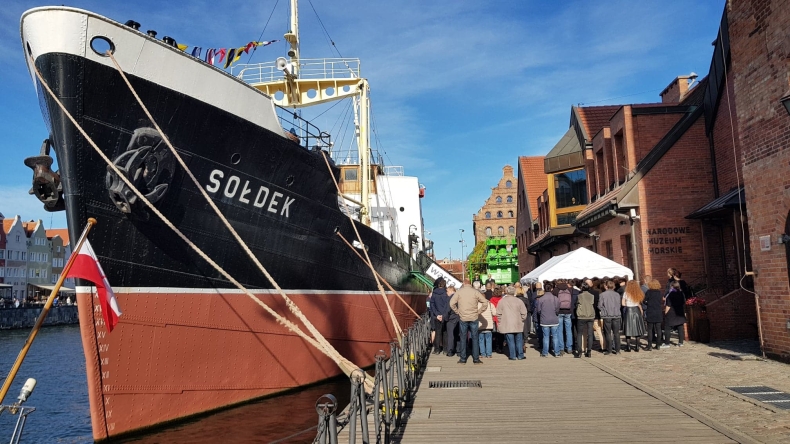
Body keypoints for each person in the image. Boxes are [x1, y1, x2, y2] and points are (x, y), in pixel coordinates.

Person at [449, 281, 489, 364]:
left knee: (463, 338)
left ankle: (463, 359)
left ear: (464, 284)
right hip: (474, 317)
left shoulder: (459, 292)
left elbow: (452, 303)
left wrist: (457, 311)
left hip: (463, 317)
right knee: (475, 338)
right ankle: (476, 359)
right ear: (470, 284)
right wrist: (479, 311)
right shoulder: (475, 292)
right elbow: (485, 302)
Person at [496, 286, 528, 360]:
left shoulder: (502, 301)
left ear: (506, 292)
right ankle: (520, 355)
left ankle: (512, 355)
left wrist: (501, 321)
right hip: (518, 323)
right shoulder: (519, 301)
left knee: (510, 341)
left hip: (507, 324)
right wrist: (522, 319)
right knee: (519, 340)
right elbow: (524, 312)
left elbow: (498, 313)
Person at [536, 285, 561, 357]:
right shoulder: (555, 298)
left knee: (546, 337)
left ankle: (545, 353)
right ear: (551, 289)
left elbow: (538, 310)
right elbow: (557, 309)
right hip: (554, 319)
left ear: (544, 289)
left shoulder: (541, 299)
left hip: (545, 320)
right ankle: (557, 352)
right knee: (555, 336)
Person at [621, 280, 646, 352]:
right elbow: (639, 303)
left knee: (628, 328)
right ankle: (637, 346)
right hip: (636, 310)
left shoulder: (626, 293)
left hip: (629, 310)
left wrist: (629, 304)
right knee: (637, 328)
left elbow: (623, 304)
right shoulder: (638, 293)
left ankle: (628, 347)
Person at [598, 280, 622, 355]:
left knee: (608, 333)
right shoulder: (617, 294)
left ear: (606, 286)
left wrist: (603, 310)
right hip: (616, 314)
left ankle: (609, 350)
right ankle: (618, 350)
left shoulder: (602, 295)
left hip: (607, 315)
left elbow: (599, 305)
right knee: (616, 333)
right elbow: (619, 304)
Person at [661, 281, 687, 348]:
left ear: (672, 286)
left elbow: (668, 305)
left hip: (672, 312)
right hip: (680, 312)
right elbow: (684, 302)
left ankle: (667, 343)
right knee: (680, 327)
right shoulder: (681, 293)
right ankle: (681, 342)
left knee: (667, 328)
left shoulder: (671, 294)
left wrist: (665, 312)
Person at [552, 279, 574, 355]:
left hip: (559, 312)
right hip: (568, 312)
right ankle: (569, 348)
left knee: (559, 330)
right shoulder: (569, 289)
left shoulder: (555, 290)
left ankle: (561, 348)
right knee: (568, 330)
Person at [575, 282, 596, 358]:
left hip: (581, 316)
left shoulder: (579, 296)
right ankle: (589, 351)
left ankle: (580, 351)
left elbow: (576, 304)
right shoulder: (592, 296)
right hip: (590, 316)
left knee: (580, 334)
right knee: (590, 334)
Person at [429, 278, 449, 354]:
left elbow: (432, 305)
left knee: (437, 332)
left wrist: (437, 314)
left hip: (436, 316)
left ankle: (437, 349)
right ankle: (445, 349)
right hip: (445, 316)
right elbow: (447, 305)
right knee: (445, 332)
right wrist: (443, 315)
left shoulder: (434, 293)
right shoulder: (446, 293)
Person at [643, 279, 664, 350]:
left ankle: (650, 345)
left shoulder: (648, 292)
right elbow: (661, 301)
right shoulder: (659, 293)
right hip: (658, 311)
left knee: (650, 330)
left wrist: (647, 303)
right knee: (658, 329)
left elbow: (644, 301)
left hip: (650, 311)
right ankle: (658, 344)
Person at [476, 282, 495, 358]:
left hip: (480, 325)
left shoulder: (476, 305)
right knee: (488, 340)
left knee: (481, 340)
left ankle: (483, 354)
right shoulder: (490, 304)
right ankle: (489, 354)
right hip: (489, 325)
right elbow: (494, 313)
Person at [444, 285, 460, 357]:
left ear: (451, 290)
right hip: (459, 318)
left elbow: (447, 309)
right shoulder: (459, 297)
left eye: (447, 291)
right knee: (459, 334)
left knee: (450, 335)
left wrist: (446, 318)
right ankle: (459, 351)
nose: (446, 293)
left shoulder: (450, 298)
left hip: (451, 319)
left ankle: (450, 351)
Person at [490, 287, 504, 353]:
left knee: (493, 334)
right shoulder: (502, 300)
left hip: (493, 318)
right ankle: (500, 347)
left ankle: (493, 347)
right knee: (501, 334)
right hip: (501, 318)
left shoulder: (491, 300)